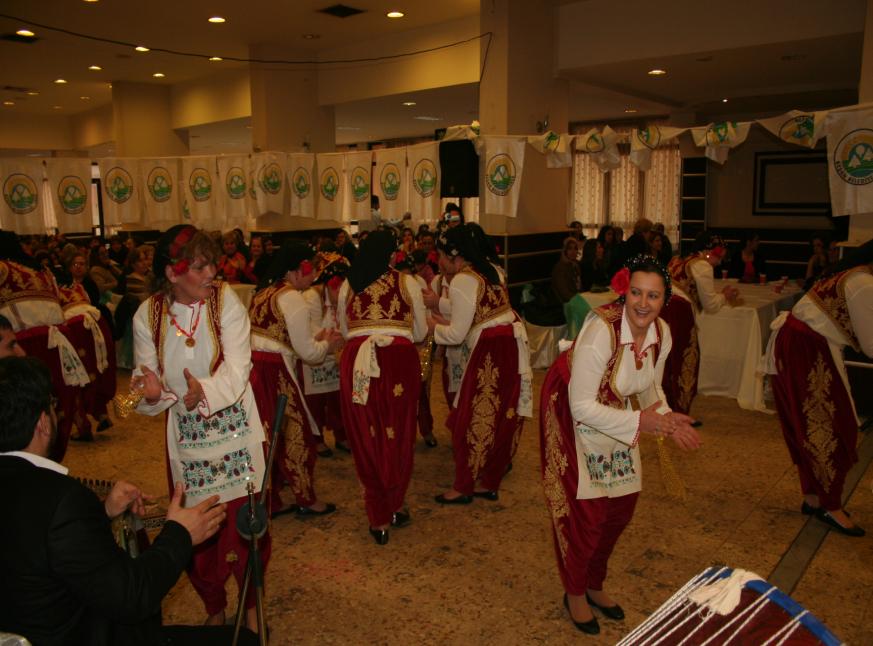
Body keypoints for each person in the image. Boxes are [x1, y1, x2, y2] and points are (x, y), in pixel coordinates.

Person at [0, 355, 259, 646]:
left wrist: (104, 512)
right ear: (42, 424)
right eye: (53, 406)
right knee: (243, 641)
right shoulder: (63, 499)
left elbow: (34, 540)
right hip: (81, 634)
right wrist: (179, 534)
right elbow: (133, 596)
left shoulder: (44, 499)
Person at [538, 256, 702, 634]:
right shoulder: (601, 331)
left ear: (666, 300)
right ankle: (575, 592)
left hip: (616, 411)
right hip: (569, 409)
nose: (643, 304)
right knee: (587, 512)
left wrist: (666, 415)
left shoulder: (662, 332)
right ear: (625, 293)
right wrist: (643, 421)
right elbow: (580, 406)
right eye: (636, 294)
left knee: (620, 509)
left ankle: (595, 584)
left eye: (654, 296)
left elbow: (650, 386)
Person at [131, 225, 269, 633]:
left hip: (235, 429)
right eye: (200, 266)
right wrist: (152, 391)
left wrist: (202, 393)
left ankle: (250, 601)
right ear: (173, 275)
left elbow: (239, 367)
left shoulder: (226, 302)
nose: (212, 272)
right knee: (196, 525)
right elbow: (146, 382)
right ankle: (213, 601)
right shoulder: (148, 315)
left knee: (247, 520)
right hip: (188, 440)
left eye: (212, 262)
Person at [764, 239, 873, 537]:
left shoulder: (853, 276)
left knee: (808, 426)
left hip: (803, 344)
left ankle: (814, 497)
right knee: (834, 428)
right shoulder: (862, 283)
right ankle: (830, 503)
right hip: (809, 348)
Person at [337, 230, 428, 544]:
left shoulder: (349, 285)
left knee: (365, 433)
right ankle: (395, 505)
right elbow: (419, 332)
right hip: (398, 362)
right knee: (398, 432)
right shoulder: (408, 283)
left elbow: (344, 327)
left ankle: (377, 517)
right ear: (392, 255)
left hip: (357, 361)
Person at [430, 224, 532, 504]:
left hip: (491, 350)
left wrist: (431, 328)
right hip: (509, 344)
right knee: (502, 416)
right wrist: (440, 305)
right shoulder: (491, 270)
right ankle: (489, 480)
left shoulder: (463, 280)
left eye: (441, 254)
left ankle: (463, 486)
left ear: (454, 255)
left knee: (470, 418)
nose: (438, 261)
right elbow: (474, 306)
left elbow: (456, 333)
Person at [248, 242, 341, 518]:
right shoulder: (292, 299)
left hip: (255, 370)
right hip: (276, 372)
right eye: (310, 269)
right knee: (296, 435)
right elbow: (308, 352)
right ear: (296, 270)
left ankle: (271, 499)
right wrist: (328, 346)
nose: (313, 276)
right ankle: (306, 497)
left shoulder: (264, 293)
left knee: (266, 436)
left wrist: (319, 337)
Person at [663, 232, 738, 414]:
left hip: (662, 310)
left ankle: (664, 406)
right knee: (685, 360)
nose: (719, 262)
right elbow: (710, 305)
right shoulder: (702, 266)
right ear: (709, 252)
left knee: (666, 360)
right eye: (719, 256)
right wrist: (725, 296)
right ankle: (680, 409)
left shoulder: (676, 261)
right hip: (680, 313)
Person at [303, 252, 352, 454]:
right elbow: (310, 329)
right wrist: (330, 336)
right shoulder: (311, 297)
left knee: (337, 397)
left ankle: (341, 434)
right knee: (315, 401)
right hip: (315, 356)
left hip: (334, 352)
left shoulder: (342, 297)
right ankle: (316, 437)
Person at [551, 237, 582, 304]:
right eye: (570, 249)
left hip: (578, 298)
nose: (573, 252)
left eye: (575, 249)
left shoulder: (576, 265)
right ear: (565, 250)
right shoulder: (560, 268)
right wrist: (580, 300)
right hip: (568, 303)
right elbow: (565, 294)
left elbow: (579, 286)